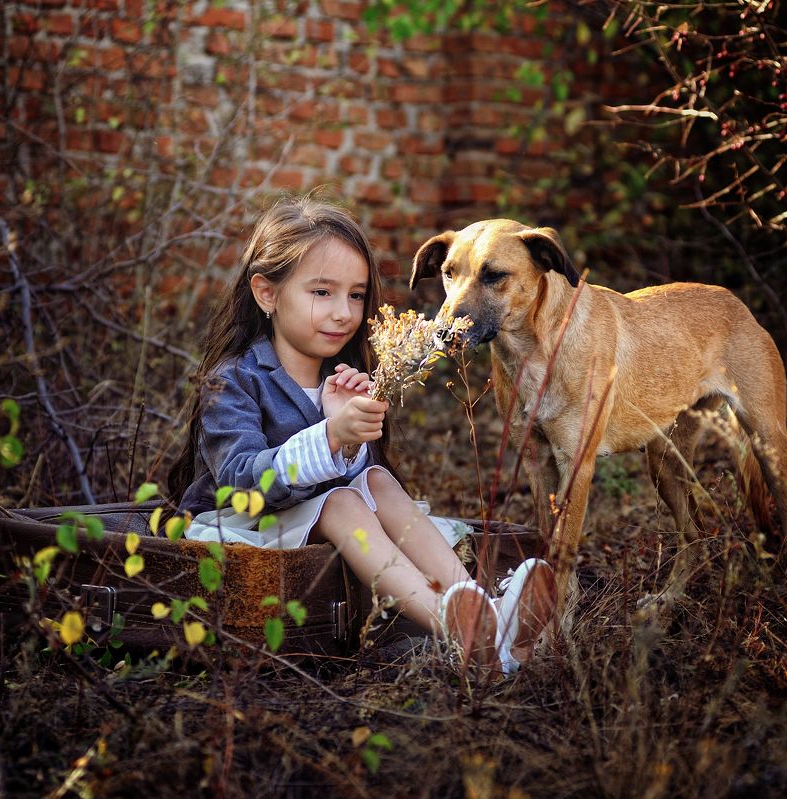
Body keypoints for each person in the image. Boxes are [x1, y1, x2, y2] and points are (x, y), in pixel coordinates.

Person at [167, 196, 554, 675]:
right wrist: (331, 435)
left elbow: (348, 476)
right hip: (238, 529)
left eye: (355, 295)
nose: (343, 313)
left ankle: (480, 607)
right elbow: (241, 483)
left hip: (308, 524)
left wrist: (347, 435)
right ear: (266, 294)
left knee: (377, 482)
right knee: (344, 502)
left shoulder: (342, 374)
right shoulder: (234, 380)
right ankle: (460, 628)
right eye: (322, 292)